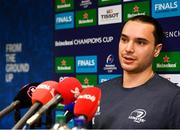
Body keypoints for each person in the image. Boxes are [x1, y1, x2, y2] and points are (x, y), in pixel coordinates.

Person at [92, 15, 180, 129]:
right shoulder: (99, 91)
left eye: (140, 42)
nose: (128, 48)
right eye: (124, 40)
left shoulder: (174, 98)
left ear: (156, 50)